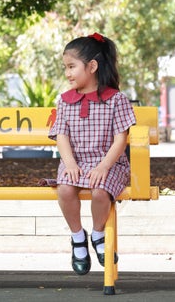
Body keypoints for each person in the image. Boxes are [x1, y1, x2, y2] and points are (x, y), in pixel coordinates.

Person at [48, 33, 136, 275]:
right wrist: (70, 164)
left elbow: (121, 139)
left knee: (100, 191)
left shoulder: (116, 100)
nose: (67, 73)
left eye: (71, 66)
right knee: (65, 189)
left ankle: (98, 234)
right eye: (65, 67)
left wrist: (103, 166)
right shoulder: (65, 102)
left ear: (92, 66)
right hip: (76, 162)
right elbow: (62, 136)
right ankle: (78, 237)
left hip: (110, 163)